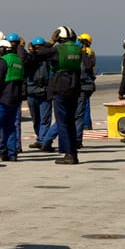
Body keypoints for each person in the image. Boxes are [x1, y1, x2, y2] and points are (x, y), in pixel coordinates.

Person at [37, 26, 82, 164]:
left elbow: (40, 54)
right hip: (75, 85)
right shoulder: (78, 49)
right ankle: (73, 153)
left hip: (60, 86)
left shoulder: (58, 49)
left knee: (62, 121)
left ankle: (68, 153)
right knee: (71, 121)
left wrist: (51, 41)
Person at [0, 39, 24, 162]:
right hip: (15, 100)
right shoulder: (19, 61)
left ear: (2, 49)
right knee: (10, 127)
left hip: (1, 100)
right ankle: (11, 154)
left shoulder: (3, 61)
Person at [25, 37, 52, 149]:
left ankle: (42, 140)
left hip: (44, 92)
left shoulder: (49, 59)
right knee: (36, 118)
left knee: (45, 119)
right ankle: (40, 138)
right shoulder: (29, 59)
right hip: (32, 92)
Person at [75, 33, 97, 149]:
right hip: (89, 80)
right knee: (85, 104)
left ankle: (86, 124)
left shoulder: (85, 52)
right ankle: (87, 124)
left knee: (83, 106)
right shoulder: (90, 51)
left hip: (84, 81)